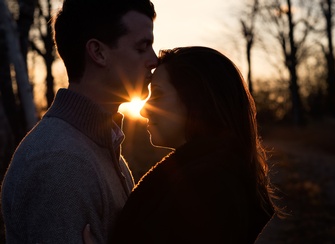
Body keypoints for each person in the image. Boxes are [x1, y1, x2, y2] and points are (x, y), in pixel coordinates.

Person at [1, 0, 157, 243]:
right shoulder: (59, 162)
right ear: (98, 52)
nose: (154, 59)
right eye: (142, 47)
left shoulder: (99, 144)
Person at [95, 46, 278, 243]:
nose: (143, 110)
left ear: (196, 100)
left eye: (156, 95)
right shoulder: (206, 173)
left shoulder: (209, 186)